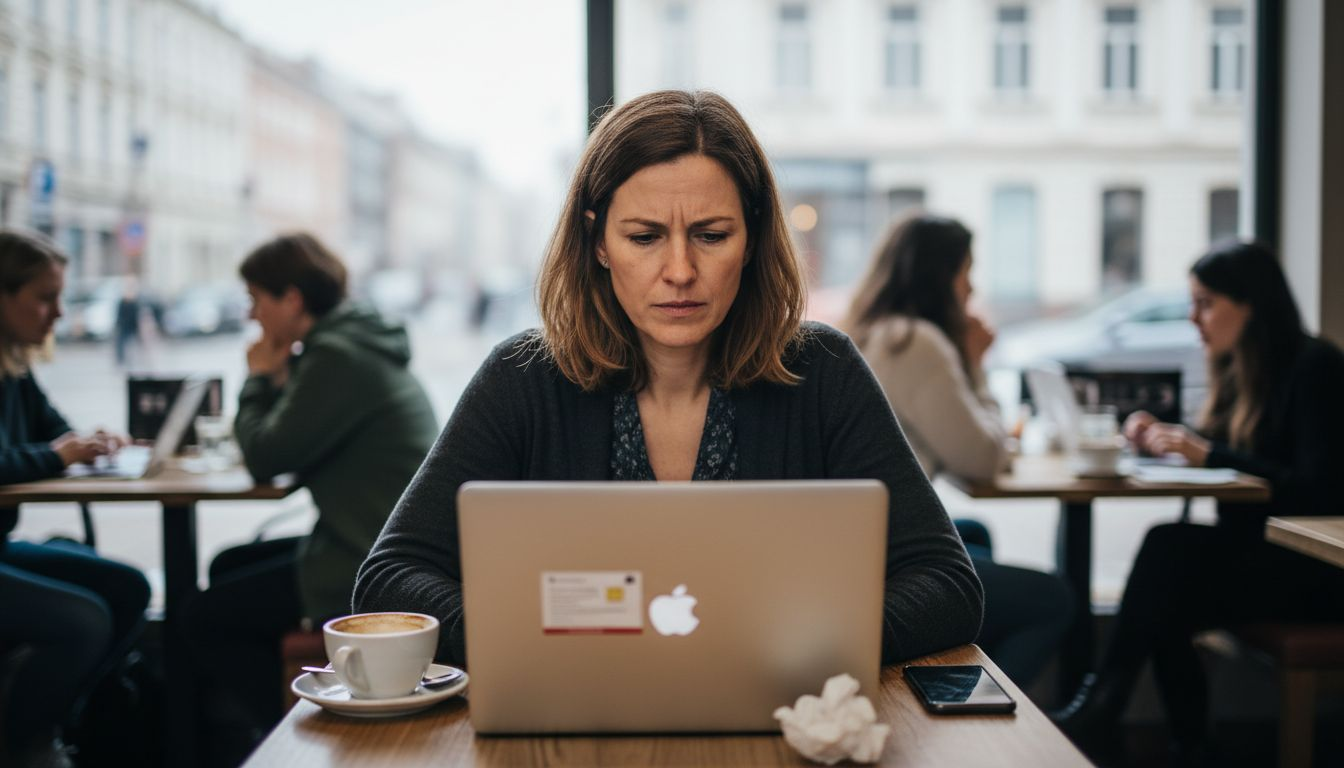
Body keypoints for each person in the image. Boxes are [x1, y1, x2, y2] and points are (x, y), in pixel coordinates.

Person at [353, 90, 983, 668]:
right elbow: (390, 577)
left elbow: (946, 583)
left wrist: (804, 644)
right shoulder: (523, 379)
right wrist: (532, 640)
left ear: (754, 236)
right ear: (599, 242)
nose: (679, 270)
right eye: (645, 237)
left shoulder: (823, 372)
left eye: (711, 236)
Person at [1054, 240, 1344, 760]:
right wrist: (1165, 437)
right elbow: (1235, 454)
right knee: (1168, 581)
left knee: (1169, 554)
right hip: (1263, 558)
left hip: (1316, 567)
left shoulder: (1316, 367)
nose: (1194, 319)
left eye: (1206, 303)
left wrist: (1206, 453)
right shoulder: (1241, 373)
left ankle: (1109, 707)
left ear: (1250, 304)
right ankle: (1181, 740)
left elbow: (1318, 490)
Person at [185, 233, 437, 766]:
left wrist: (257, 378)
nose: (253, 317)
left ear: (291, 300)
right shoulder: (353, 345)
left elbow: (266, 454)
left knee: (201, 618)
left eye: (256, 300)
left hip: (370, 560)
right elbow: (293, 438)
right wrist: (280, 380)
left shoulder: (337, 359)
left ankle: (285, 733)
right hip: (371, 536)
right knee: (230, 563)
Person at [842, 213, 1073, 688]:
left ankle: (953, 686)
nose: (971, 289)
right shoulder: (914, 343)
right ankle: (984, 707)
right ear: (940, 276)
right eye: (967, 271)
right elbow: (983, 456)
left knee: (975, 532)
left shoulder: (872, 330)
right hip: (881, 556)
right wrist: (974, 359)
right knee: (1054, 598)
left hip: (862, 540)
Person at [0, 229, 150, 767]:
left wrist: (94, 443)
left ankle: (53, 719)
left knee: (129, 587)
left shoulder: (14, 368)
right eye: (45, 298)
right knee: (82, 620)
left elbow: (54, 432)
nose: (58, 313)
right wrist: (58, 455)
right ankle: (20, 745)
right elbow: (34, 454)